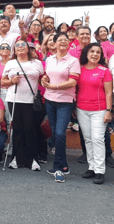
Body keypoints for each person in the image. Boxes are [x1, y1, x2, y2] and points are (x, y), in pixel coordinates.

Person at [41, 33, 80, 183]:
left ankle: (58, 168)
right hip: (50, 100)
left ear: (69, 44)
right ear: (55, 43)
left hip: (65, 101)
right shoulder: (49, 59)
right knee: (55, 133)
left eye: (66, 40)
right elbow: (47, 75)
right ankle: (63, 165)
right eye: (60, 40)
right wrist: (45, 79)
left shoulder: (73, 60)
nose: (63, 42)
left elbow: (72, 82)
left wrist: (53, 86)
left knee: (60, 134)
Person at [2, 40, 44, 171]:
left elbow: (43, 78)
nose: (20, 47)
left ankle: (32, 159)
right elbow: (3, 81)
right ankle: (16, 158)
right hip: (14, 99)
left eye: (23, 45)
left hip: (31, 100)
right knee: (18, 129)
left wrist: (46, 80)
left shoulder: (36, 63)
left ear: (28, 49)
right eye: (17, 46)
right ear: (14, 50)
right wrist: (11, 81)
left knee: (30, 129)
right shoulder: (10, 63)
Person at [75, 43, 113, 185]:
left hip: (100, 109)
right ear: (86, 53)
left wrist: (108, 111)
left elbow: (109, 92)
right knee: (88, 139)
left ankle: (99, 171)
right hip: (81, 109)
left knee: (97, 139)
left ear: (101, 55)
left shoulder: (104, 71)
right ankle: (91, 167)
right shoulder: (80, 70)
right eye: (92, 51)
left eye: (98, 52)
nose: (95, 54)